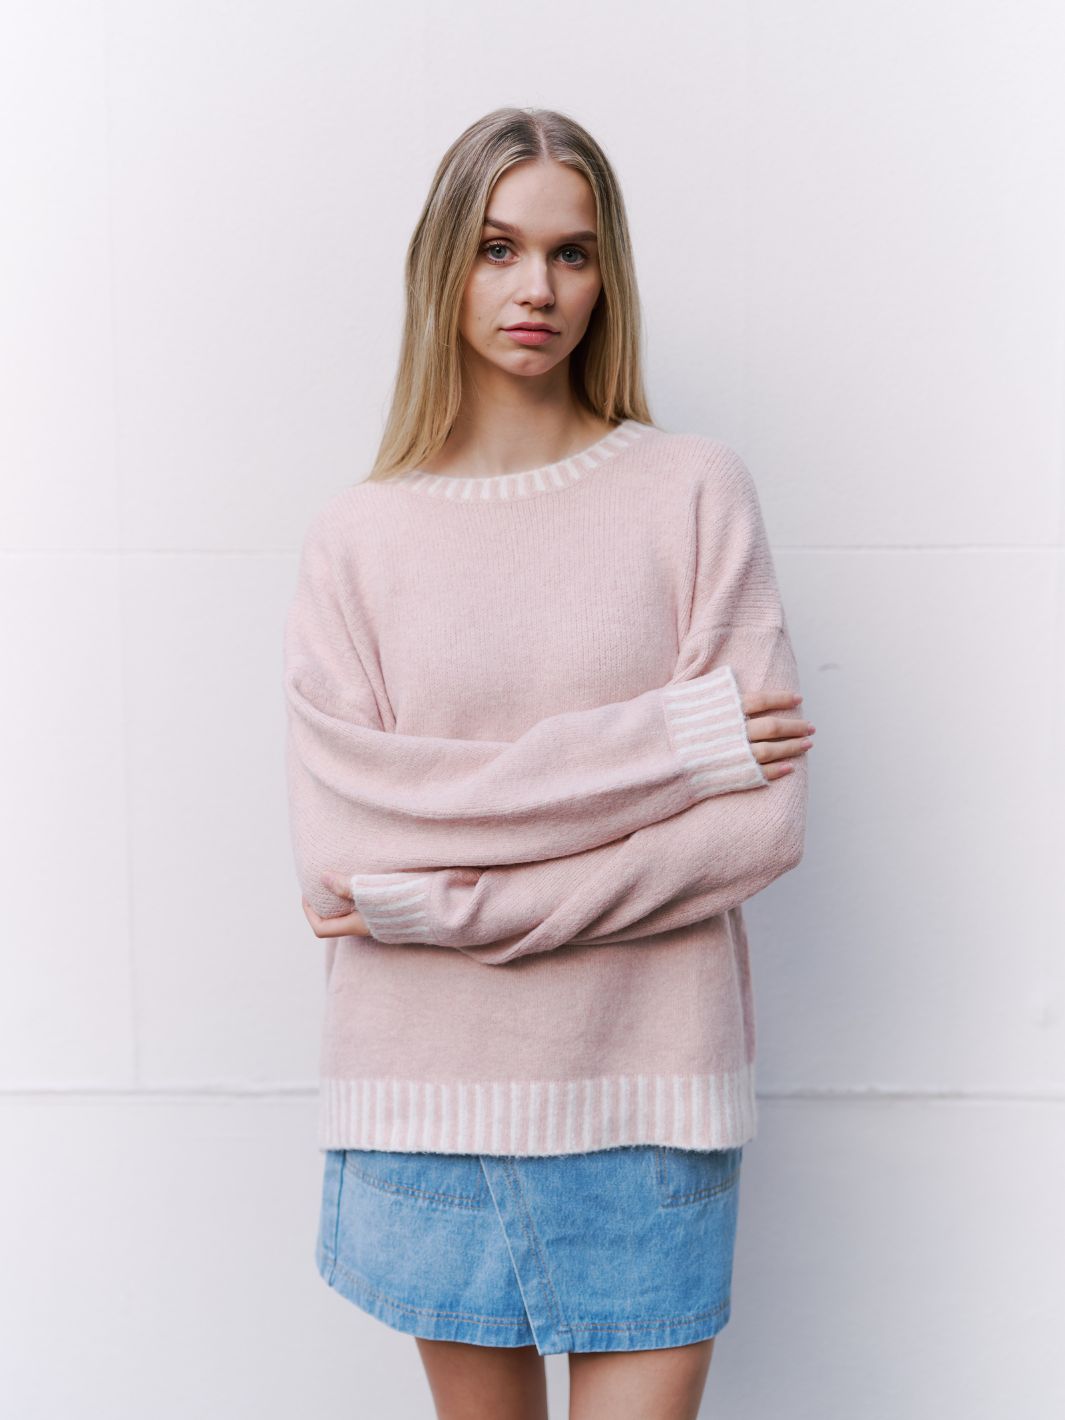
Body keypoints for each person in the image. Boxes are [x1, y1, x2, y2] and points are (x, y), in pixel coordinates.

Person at [283, 106, 813, 1420]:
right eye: (498, 248)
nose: (537, 288)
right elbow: (347, 848)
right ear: (444, 267)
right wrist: (674, 744)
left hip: (650, 1097)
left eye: (571, 254)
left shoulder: (694, 491)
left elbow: (757, 827)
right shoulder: (359, 538)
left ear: (605, 274)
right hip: (428, 1102)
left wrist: (441, 905)